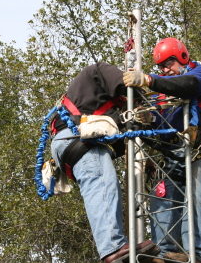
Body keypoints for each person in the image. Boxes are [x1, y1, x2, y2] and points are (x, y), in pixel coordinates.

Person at [123, 38, 201, 263]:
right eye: (160, 67)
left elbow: (187, 86)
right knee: (161, 194)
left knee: (197, 195)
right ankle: (164, 252)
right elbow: (163, 131)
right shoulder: (163, 96)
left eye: (168, 63)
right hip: (176, 152)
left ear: (182, 57)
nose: (165, 70)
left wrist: (150, 79)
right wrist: (147, 120)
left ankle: (197, 254)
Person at [50, 62, 160, 263]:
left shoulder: (104, 108)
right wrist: (146, 90)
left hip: (74, 143)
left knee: (105, 183)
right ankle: (113, 247)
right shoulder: (98, 71)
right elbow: (124, 84)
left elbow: (118, 143)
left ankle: (117, 246)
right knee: (102, 183)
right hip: (74, 138)